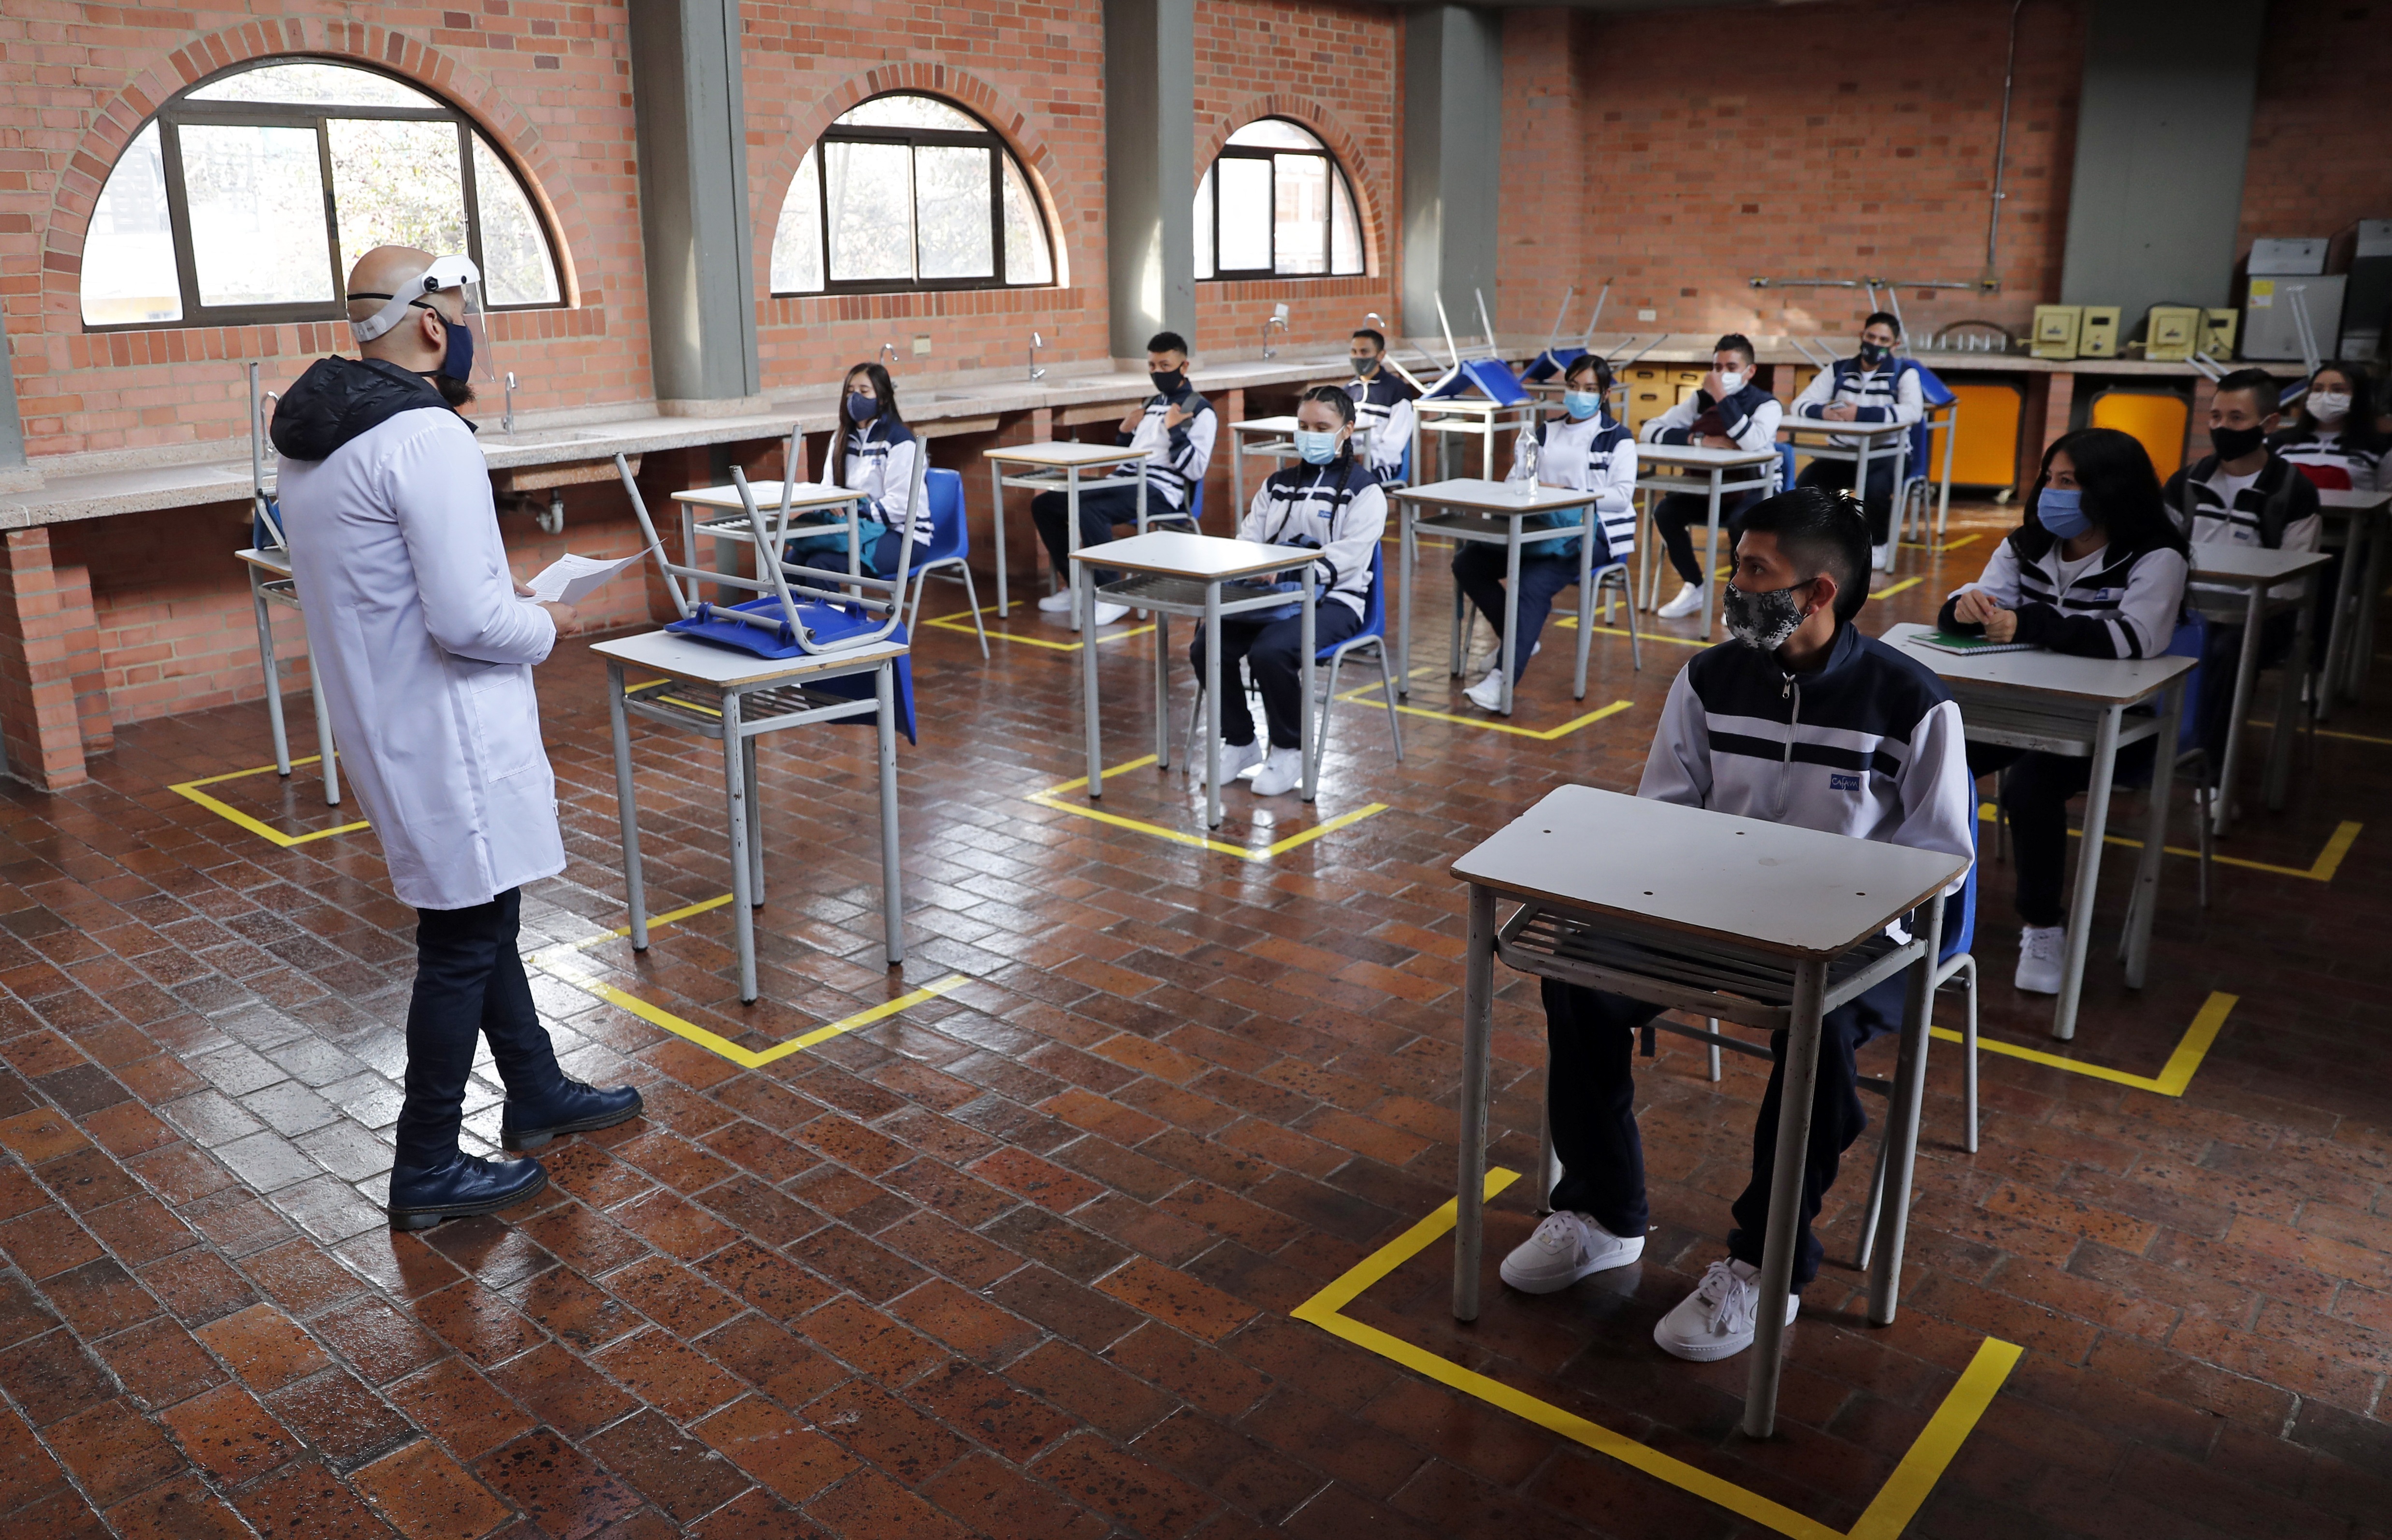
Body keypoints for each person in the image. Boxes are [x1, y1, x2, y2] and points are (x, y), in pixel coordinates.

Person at [1503, 488, 1973, 1363]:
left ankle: (1767, 1265)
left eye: (1756, 570)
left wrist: (1860, 934)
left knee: (1818, 1033)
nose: (1733, 585)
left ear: (1820, 591)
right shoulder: (1710, 678)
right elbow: (1665, 814)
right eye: (1735, 564)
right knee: (1577, 975)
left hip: (1863, 939)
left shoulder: (1911, 704)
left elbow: (1937, 864)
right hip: (1715, 914)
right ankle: (1607, 1213)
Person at [271, 245, 641, 1231]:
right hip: (446, 726)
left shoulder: (317, 435)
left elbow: (398, 586)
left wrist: (495, 599)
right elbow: (468, 624)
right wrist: (545, 622)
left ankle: (537, 1091)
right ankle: (425, 1159)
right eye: (464, 307)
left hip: (391, 717)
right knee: (463, 938)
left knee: (483, 918)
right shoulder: (425, 435)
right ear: (433, 322)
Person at [1939, 429, 2189, 993]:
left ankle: (2043, 925)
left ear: (2109, 488)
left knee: (2029, 788)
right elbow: (1976, 606)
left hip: (2110, 723)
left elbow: (2136, 639)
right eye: (2049, 480)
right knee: (1930, 756)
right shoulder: (2027, 544)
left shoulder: (2156, 555)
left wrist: (2027, 625)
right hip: (2022, 709)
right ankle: (1921, 905)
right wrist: (1966, 607)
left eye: (2068, 482)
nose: (2053, 493)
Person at [1194, 386, 1386, 797]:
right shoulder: (1277, 483)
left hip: (1338, 600)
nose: (1310, 434)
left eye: (1322, 427)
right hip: (1273, 596)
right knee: (1206, 642)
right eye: (1303, 426)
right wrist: (1254, 566)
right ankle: (1241, 741)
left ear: (1347, 430)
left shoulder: (1366, 490)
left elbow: (1350, 556)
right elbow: (1249, 539)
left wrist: (1291, 570)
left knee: (1271, 650)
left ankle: (1289, 748)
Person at [1454, 354, 1636, 711]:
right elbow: (1513, 480)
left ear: (1604, 394)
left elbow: (1621, 497)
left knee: (1533, 581)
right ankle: (1520, 638)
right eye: (1573, 386)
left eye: (1589, 389)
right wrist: (1535, 490)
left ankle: (1501, 680)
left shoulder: (1617, 438)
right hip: (1538, 527)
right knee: (1468, 562)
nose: (1579, 394)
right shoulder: (1545, 430)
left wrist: (1564, 495)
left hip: (1594, 535)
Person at [2162, 367, 2322, 774]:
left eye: (2237, 418)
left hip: (2258, 617)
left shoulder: (2294, 490)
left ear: (2269, 424)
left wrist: (2239, 606)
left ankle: (2213, 770)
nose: (2223, 427)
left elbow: (2292, 582)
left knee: (2225, 650)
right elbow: (2159, 554)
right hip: (2190, 608)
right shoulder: (2186, 482)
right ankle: (2137, 749)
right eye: (2216, 417)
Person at [1033, 331, 1217, 625]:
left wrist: (1175, 431)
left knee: (1090, 509)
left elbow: (1195, 471)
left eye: (1165, 366)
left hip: (1162, 490)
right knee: (1046, 505)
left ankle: (1110, 594)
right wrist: (1125, 431)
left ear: (1184, 367)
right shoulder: (1151, 402)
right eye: (1152, 366)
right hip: (1127, 479)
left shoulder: (1200, 410)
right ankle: (1080, 588)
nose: (1158, 373)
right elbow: (1130, 456)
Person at [1647, 334, 1785, 619]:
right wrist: (1699, 440)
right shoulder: (1699, 400)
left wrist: (1721, 395)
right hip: (1710, 486)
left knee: (1741, 524)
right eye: (1717, 367)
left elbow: (1750, 441)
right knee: (1666, 511)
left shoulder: (1766, 405)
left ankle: (1740, 596)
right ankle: (1694, 585)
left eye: (1731, 368)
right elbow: (1651, 430)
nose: (1722, 374)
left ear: (1750, 371)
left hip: (1754, 488)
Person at [1789, 311, 1922, 572]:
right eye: (1871, 336)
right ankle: (1816, 543)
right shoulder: (1839, 369)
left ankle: (1879, 545)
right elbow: (1799, 405)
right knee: (1808, 483)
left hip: (1887, 453)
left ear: (1895, 345)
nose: (1875, 343)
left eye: (1883, 340)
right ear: (1861, 337)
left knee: (1876, 487)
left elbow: (1913, 412)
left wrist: (1860, 414)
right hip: (1843, 452)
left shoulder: (1905, 373)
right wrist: (1823, 412)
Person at [787, 362, 926, 576]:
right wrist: (831, 503)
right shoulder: (841, 439)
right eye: (850, 392)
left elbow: (902, 505)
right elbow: (829, 487)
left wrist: (855, 509)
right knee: (792, 561)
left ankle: (841, 611)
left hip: (903, 535)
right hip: (856, 526)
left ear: (882, 397)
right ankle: (796, 611)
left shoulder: (900, 441)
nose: (855, 398)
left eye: (864, 391)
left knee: (822, 565)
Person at [2270, 362, 2385, 492]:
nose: (2325, 397)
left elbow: (2386, 500)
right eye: (2318, 389)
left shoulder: (2379, 448)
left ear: (2359, 396)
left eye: (2338, 390)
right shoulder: (2279, 442)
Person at [1344, 327, 1417, 483]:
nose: (1358, 357)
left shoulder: (1397, 391)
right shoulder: (1348, 390)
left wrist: (1368, 458)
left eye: (1364, 352)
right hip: (1350, 460)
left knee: (1350, 482)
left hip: (1382, 464)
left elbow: (1395, 442)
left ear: (1381, 355)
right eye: (1354, 352)